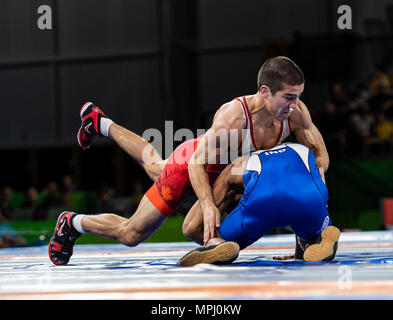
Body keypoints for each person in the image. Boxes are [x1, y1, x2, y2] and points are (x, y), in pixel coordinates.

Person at [48, 56, 329, 266]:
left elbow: (318, 157)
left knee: (154, 165)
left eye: (298, 97)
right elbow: (196, 163)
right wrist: (207, 206)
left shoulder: (295, 112)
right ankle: (73, 222)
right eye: (289, 97)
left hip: (227, 174)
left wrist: (319, 200)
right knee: (131, 233)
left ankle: (100, 122)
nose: (295, 105)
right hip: (195, 164)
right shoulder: (234, 116)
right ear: (265, 92)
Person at [179, 143, 340, 267]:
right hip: (310, 193)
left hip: (262, 198)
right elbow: (308, 180)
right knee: (312, 228)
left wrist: (210, 216)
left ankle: (217, 244)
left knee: (223, 241)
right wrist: (299, 256)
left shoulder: (236, 166)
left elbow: (191, 228)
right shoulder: (299, 146)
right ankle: (319, 240)